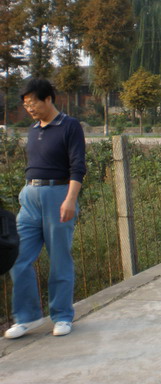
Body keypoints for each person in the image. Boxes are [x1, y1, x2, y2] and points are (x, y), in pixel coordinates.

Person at [4, 79, 86, 339]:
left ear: (48, 99)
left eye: (32, 103)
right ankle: (27, 317)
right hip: (30, 197)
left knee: (59, 258)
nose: (29, 108)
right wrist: (26, 192)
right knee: (17, 257)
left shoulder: (69, 126)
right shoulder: (33, 129)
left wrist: (70, 199)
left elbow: (77, 166)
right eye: (25, 104)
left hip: (58, 194)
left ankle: (62, 315)